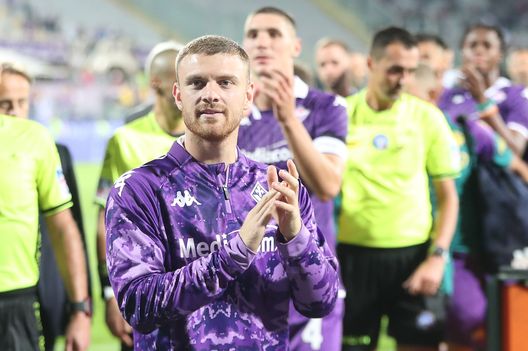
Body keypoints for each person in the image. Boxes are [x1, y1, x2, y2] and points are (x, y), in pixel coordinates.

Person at [105, 34, 339, 350]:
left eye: (226, 83)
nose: (211, 94)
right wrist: (234, 253)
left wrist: (296, 239)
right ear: (178, 95)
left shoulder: (279, 189)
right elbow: (137, 306)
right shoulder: (139, 190)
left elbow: (320, 303)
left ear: (248, 96)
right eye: (197, 83)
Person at [337, 27, 460, 351]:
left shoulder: (428, 118)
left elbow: (449, 198)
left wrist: (437, 258)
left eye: (409, 71)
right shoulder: (340, 114)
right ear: (370, 64)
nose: (403, 79)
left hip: (413, 257)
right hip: (353, 258)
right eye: (394, 69)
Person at [239, 7, 348, 351]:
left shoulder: (325, 107)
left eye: (273, 34)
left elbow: (328, 186)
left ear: (296, 46)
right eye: (253, 34)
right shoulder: (232, 112)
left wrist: (288, 119)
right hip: (247, 281)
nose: (262, 42)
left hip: (308, 279)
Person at [408, 62, 528, 351]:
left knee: (468, 322)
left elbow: (516, 165)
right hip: (408, 249)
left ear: (434, 94)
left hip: (461, 252)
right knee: (415, 334)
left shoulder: (466, 131)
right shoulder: (392, 135)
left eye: (412, 98)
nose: (405, 107)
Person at [94, 40, 184, 350]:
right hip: (143, 291)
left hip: (197, 289)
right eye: (182, 78)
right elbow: (104, 223)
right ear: (157, 84)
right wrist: (110, 292)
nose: (191, 87)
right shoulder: (125, 140)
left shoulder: (207, 138)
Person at [0, 61, 91, 351]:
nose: (14, 110)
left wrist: (79, 308)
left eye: (21, 102)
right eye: (4, 103)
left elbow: (65, 228)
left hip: (19, 301)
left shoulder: (36, 140)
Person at [438, 23, 528, 158]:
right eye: (472, 45)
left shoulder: (516, 95)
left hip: (495, 177)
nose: (479, 50)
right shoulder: (448, 96)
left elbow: (515, 150)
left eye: (487, 45)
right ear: (462, 51)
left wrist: (482, 100)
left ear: (500, 54)